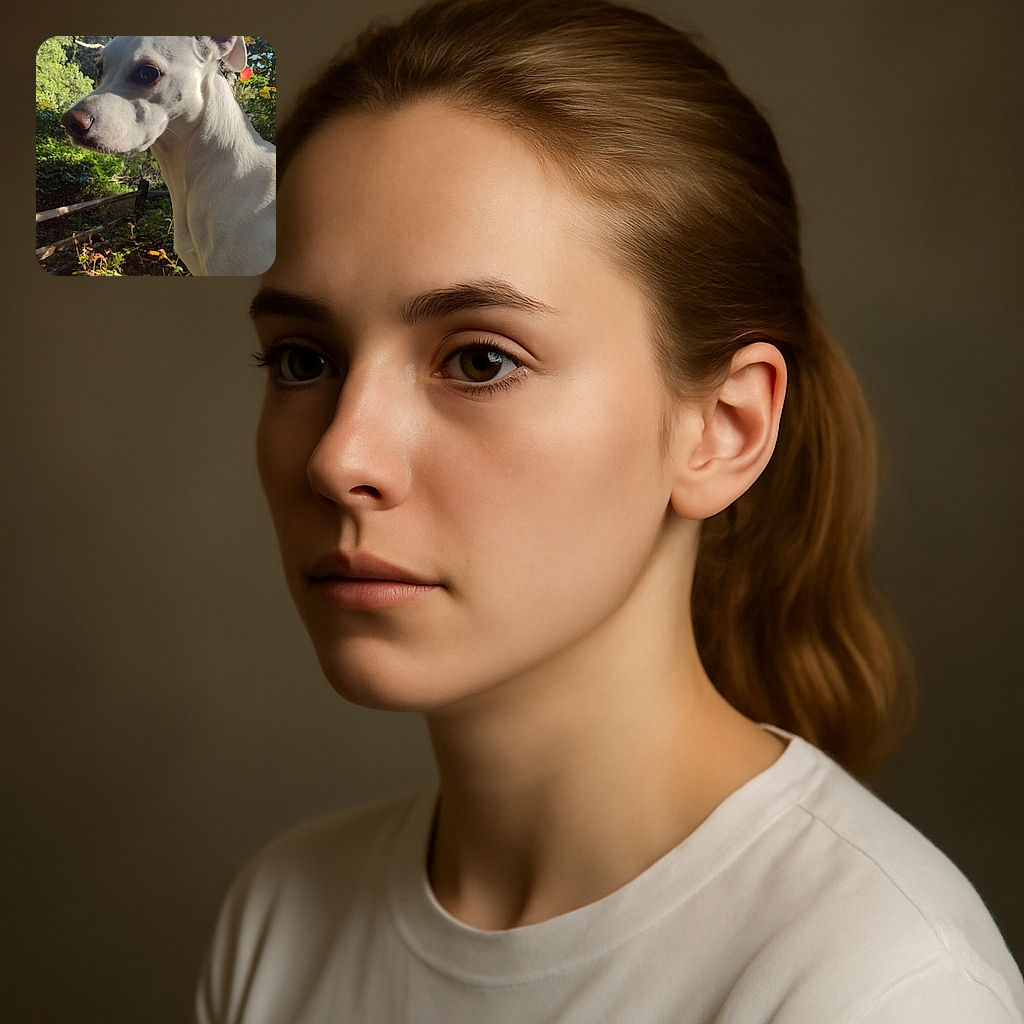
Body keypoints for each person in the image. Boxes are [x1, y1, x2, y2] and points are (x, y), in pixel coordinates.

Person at [196, 1, 1024, 1020]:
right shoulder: (279, 918)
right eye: (303, 360)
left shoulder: (879, 983)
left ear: (721, 427)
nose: (339, 456)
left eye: (479, 359)